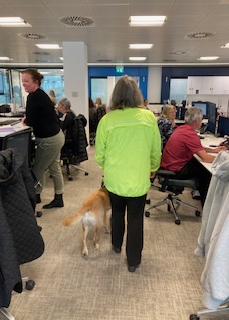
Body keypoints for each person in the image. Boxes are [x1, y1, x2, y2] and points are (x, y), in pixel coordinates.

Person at [95, 75, 161, 273]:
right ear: (137, 95)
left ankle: (116, 244)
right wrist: (152, 168)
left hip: (114, 180)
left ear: (115, 96)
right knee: (135, 218)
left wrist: (107, 170)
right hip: (139, 180)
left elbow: (99, 155)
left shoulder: (106, 120)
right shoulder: (149, 118)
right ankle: (133, 261)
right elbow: (155, 150)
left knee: (116, 212)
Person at [160, 106, 226, 206]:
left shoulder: (182, 129)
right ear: (197, 120)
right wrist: (225, 160)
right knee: (205, 172)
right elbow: (206, 158)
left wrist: (213, 150)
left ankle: (199, 195)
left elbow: (196, 148)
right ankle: (206, 204)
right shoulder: (190, 134)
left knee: (198, 163)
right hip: (175, 169)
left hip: (168, 164)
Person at [21, 68, 65, 209]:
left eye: (26, 81)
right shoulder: (41, 95)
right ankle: (59, 197)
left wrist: (25, 121)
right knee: (54, 167)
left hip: (49, 140)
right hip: (57, 136)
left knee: (37, 170)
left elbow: (31, 121)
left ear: (36, 82)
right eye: (22, 81)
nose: (24, 84)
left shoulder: (33, 97)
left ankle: (35, 196)